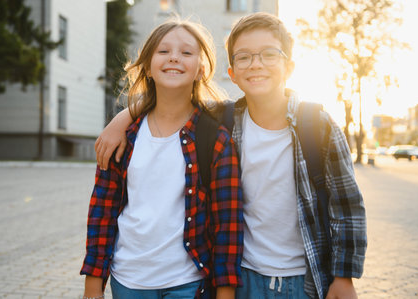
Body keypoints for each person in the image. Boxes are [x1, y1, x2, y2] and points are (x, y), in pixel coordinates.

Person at [95, 12, 367, 299]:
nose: (257, 64)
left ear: (289, 67)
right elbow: (173, 102)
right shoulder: (225, 120)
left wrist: (344, 277)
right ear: (233, 72)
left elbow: (347, 206)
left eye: (269, 54)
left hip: (305, 278)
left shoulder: (317, 126)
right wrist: (122, 118)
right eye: (244, 57)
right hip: (242, 276)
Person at [80, 19, 244, 299]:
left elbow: (227, 224)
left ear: (200, 70)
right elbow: (102, 213)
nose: (174, 58)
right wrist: (93, 287)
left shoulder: (214, 138)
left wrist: (225, 294)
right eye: (164, 51)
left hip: (188, 283)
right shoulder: (123, 137)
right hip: (128, 281)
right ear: (147, 65)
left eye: (186, 53)